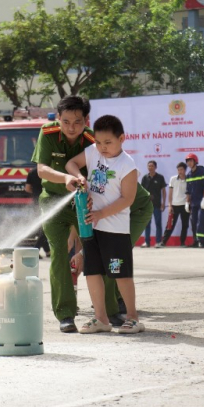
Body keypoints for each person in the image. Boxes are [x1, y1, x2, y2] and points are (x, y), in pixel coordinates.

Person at [32, 96, 152, 333]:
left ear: (86, 120)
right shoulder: (49, 134)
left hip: (93, 210)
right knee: (61, 254)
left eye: (77, 122)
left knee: (106, 261)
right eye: (66, 121)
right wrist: (69, 178)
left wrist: (95, 207)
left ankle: (113, 312)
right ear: (58, 118)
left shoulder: (95, 142)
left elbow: (122, 194)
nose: (71, 128)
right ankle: (66, 314)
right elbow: (42, 169)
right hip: (56, 201)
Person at [61, 115, 144, 334]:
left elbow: (127, 199)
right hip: (91, 228)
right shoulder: (92, 153)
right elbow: (70, 164)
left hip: (115, 231)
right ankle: (101, 318)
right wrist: (80, 178)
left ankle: (133, 318)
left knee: (120, 274)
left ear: (122, 139)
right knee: (92, 272)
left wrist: (101, 214)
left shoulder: (128, 165)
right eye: (98, 142)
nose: (102, 147)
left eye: (108, 142)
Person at [159, 162, 190, 248]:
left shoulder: (189, 179)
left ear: (185, 170)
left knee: (185, 225)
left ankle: (182, 242)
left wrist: (188, 203)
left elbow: (190, 193)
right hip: (174, 205)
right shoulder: (173, 179)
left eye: (181, 169)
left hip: (185, 205)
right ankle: (163, 242)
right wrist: (169, 205)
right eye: (178, 170)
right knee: (170, 224)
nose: (180, 171)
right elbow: (170, 193)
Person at [185, 153, 204, 248]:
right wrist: (187, 203)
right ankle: (196, 241)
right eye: (187, 161)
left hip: (202, 201)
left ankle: (201, 241)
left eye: (191, 161)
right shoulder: (188, 175)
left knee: (201, 221)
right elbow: (188, 191)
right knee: (193, 221)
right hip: (193, 202)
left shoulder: (202, 172)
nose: (189, 163)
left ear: (195, 161)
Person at [24, 166, 50, 257]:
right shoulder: (49, 171)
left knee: (41, 228)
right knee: (45, 228)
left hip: (36, 203)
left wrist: (36, 192)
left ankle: (47, 251)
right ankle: (35, 249)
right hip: (47, 203)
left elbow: (27, 188)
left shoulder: (32, 172)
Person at [141, 161, 167, 248]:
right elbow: (142, 191)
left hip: (157, 205)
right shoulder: (145, 178)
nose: (150, 168)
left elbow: (163, 191)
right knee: (147, 224)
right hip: (147, 205)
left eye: (152, 166)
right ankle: (147, 242)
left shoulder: (160, 177)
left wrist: (163, 203)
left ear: (155, 167)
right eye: (149, 166)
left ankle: (158, 242)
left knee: (158, 223)